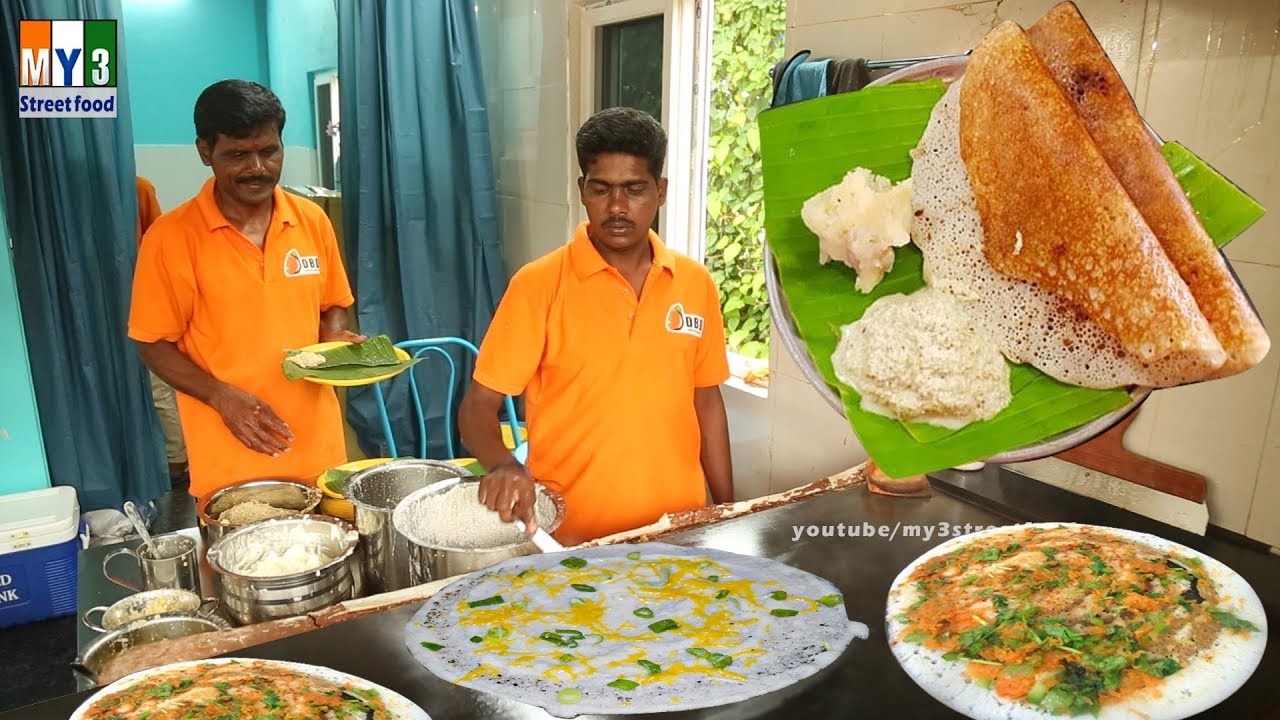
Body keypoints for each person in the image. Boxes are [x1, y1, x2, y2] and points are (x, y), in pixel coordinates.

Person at [459, 106, 734, 545]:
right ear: (583, 190)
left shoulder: (694, 283)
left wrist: (726, 510)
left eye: (635, 189)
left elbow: (708, 405)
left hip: (681, 532)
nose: (619, 207)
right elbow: (477, 407)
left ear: (660, 192)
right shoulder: (538, 285)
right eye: (602, 189)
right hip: (572, 540)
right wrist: (504, 465)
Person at [128, 80, 363, 499]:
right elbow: (153, 343)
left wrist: (332, 337)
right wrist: (222, 397)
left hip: (319, 452)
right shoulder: (170, 237)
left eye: (269, 151)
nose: (258, 168)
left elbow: (333, 304)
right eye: (238, 154)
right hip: (232, 458)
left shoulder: (312, 221)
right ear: (206, 152)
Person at [135, 175, 188, 485]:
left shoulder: (139, 189)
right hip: (119, 298)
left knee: (161, 387)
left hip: (152, 297)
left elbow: (154, 239)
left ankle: (176, 459)